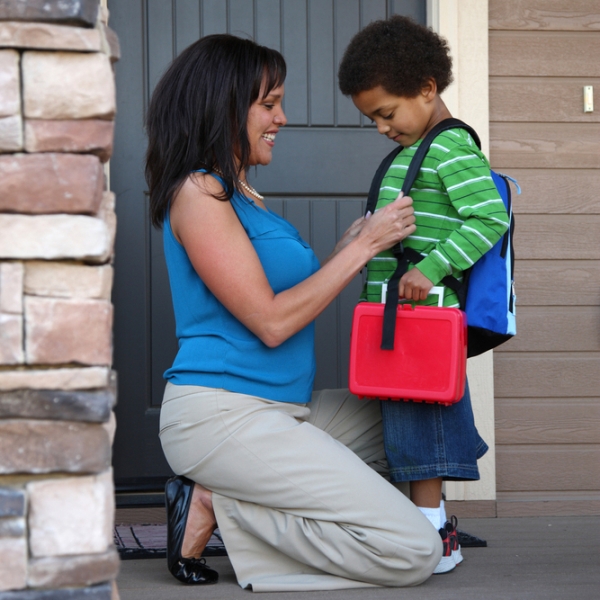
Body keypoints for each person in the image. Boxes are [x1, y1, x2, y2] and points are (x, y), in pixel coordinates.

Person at [145, 33, 442, 591]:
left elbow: (279, 293)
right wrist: (362, 248)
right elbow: (272, 321)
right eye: (269, 103)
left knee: (412, 414)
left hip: (285, 409)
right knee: (411, 551)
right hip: (222, 416)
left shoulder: (242, 195)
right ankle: (221, 503)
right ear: (224, 104)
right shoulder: (197, 194)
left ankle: (236, 493)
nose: (282, 117)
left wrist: (347, 252)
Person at [338, 15, 510, 574]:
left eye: (387, 113)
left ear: (427, 89)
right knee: (403, 421)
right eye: (373, 119)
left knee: (421, 423)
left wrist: (433, 268)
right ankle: (423, 527)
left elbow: (490, 217)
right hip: (398, 317)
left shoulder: (449, 147)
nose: (382, 128)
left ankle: (432, 536)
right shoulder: (417, 152)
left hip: (425, 316)